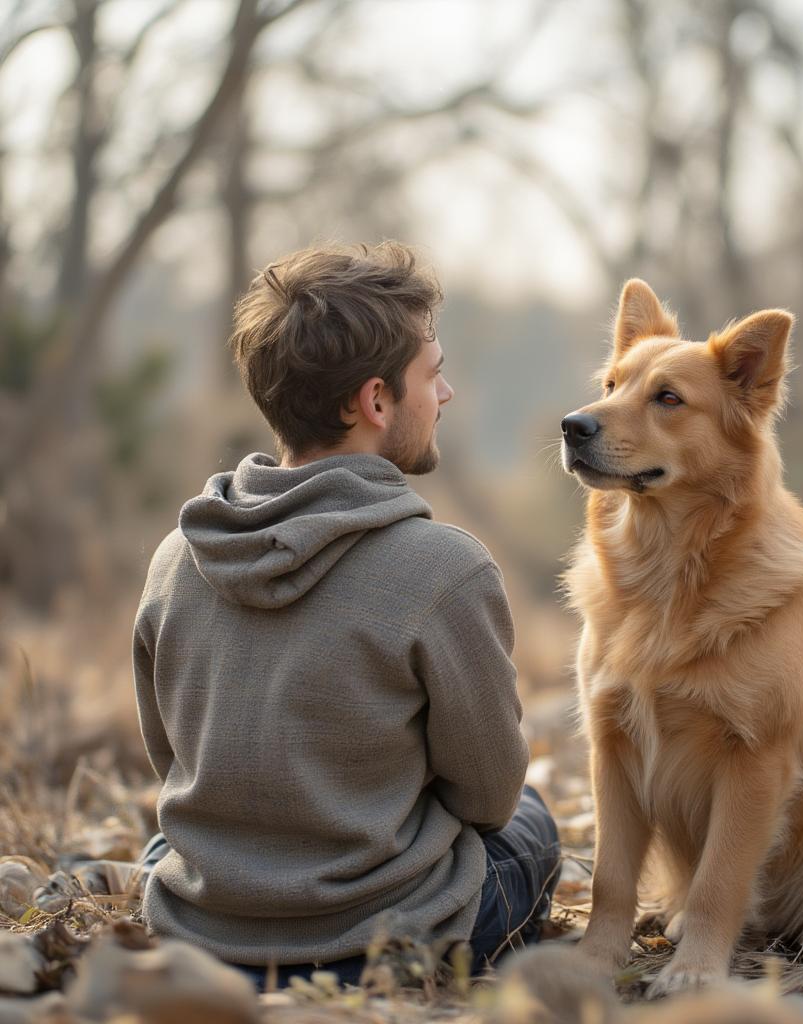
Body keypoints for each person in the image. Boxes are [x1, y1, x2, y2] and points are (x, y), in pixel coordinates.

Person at [131, 242, 561, 990]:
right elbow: (486, 798)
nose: (447, 393)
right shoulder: (444, 569)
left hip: (203, 932)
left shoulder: (176, 557)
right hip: (381, 939)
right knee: (532, 822)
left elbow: (174, 763)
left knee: (164, 850)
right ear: (375, 402)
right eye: (433, 374)